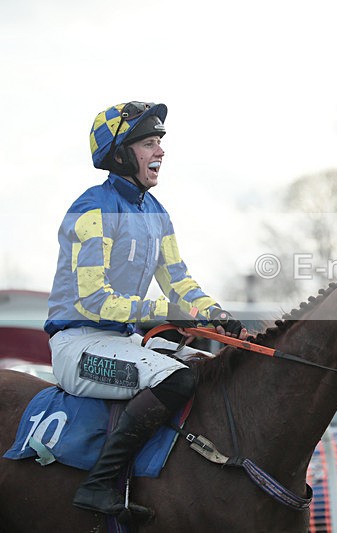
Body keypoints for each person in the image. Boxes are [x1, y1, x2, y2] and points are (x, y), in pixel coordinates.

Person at [44, 101, 248, 517]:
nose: (160, 152)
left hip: (123, 341)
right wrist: (164, 311)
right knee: (175, 380)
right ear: (119, 154)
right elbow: (93, 300)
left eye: (160, 143)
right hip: (78, 347)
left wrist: (216, 314)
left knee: (207, 369)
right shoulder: (91, 209)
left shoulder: (158, 214)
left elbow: (180, 281)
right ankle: (99, 485)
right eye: (149, 143)